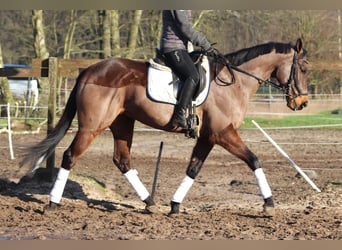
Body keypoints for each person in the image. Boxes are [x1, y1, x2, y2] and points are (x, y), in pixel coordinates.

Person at [160, 10, 216, 130]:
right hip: (172, 47)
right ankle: (179, 115)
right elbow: (184, 27)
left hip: (182, 48)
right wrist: (205, 43)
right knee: (193, 76)